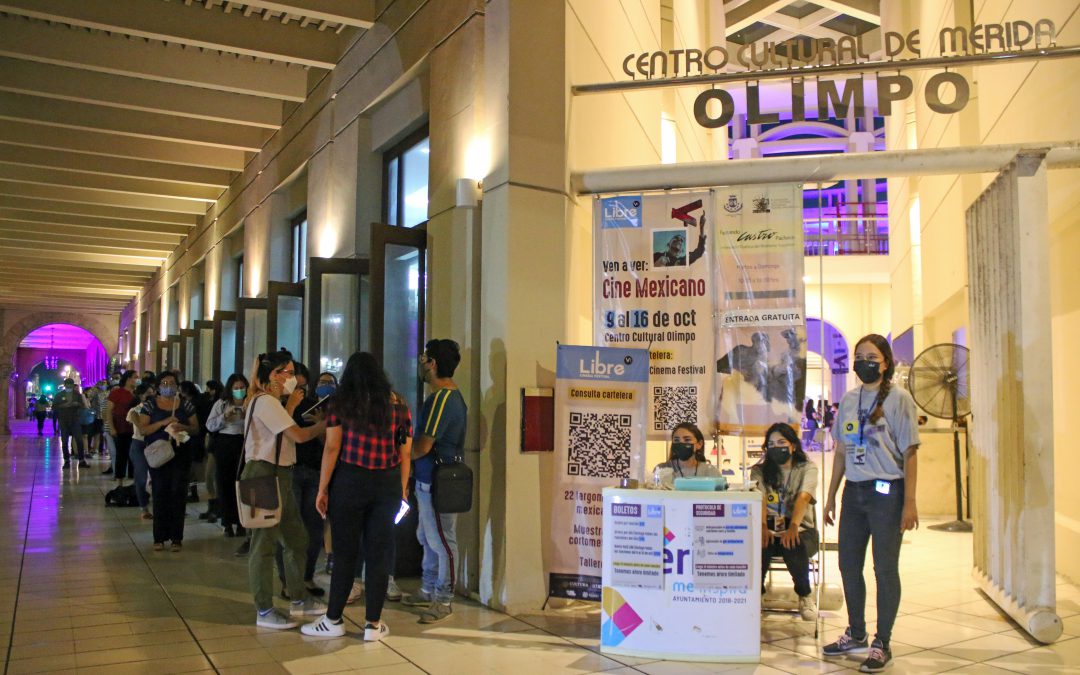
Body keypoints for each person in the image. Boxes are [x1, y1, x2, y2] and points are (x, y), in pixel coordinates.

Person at [822, 334, 920, 673]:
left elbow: (909, 452)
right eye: (858, 356)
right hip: (855, 492)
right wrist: (832, 494)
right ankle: (857, 632)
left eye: (871, 356)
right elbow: (840, 452)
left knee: (884, 568)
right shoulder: (848, 400)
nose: (864, 361)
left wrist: (910, 503)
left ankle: (883, 642)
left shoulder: (899, 399)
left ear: (886, 362)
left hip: (887, 493)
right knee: (848, 565)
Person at [301, 352, 409, 640]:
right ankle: (373, 624)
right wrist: (403, 489)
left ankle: (333, 619)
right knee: (378, 556)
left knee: (345, 553)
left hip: (350, 482)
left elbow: (332, 448)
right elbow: (405, 452)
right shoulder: (398, 405)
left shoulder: (342, 404)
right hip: (387, 486)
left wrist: (323, 488)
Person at [241, 351, 327, 630]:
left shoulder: (273, 403)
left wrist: (289, 405)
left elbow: (278, 432)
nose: (293, 379)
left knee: (296, 538)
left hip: (281, 474)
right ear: (274, 375)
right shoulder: (264, 401)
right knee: (263, 546)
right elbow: (299, 436)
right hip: (263, 474)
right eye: (288, 373)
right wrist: (328, 423)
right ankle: (264, 610)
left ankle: (298, 599)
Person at [402, 339, 467, 624]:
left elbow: (424, 445)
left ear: (434, 364)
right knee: (427, 537)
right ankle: (428, 587)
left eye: (424, 359)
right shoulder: (442, 397)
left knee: (442, 541)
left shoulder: (443, 399)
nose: (421, 364)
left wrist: (401, 455)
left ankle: (444, 598)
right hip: (428, 479)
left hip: (437, 481)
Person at [751, 422, 819, 621]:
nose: (776, 447)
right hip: (770, 529)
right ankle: (757, 595)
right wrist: (763, 526)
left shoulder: (807, 468)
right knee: (757, 545)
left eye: (781, 442)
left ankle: (805, 595)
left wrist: (793, 527)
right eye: (771, 444)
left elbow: (803, 498)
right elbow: (760, 498)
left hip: (802, 529)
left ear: (793, 445)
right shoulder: (759, 470)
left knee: (793, 543)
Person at [274, 362, 326, 600]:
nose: (296, 382)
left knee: (313, 528)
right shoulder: (274, 405)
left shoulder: (318, 405)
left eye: (298, 377)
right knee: (290, 530)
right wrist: (292, 406)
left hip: (314, 470)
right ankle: (288, 581)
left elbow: (326, 442)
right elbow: (293, 435)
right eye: (291, 376)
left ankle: (306, 577)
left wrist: (322, 423)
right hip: (289, 470)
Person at [138, 372, 200, 552]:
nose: (168, 386)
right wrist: (163, 422)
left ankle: (176, 537)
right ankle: (159, 536)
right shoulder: (150, 405)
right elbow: (143, 429)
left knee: (178, 494)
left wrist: (183, 427)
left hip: (180, 454)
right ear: (158, 386)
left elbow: (196, 428)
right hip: (159, 454)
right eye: (164, 383)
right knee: (159, 494)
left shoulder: (185, 404)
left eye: (172, 383)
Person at [207, 374, 248, 538]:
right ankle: (227, 522)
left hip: (244, 443)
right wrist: (224, 417)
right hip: (225, 443)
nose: (239, 391)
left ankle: (242, 522)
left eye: (242, 387)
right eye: (236, 388)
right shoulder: (222, 404)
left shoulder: (251, 402)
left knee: (242, 483)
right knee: (224, 483)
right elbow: (210, 425)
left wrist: (245, 416)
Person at [650, 422, 721, 490]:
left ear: (699, 444)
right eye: (676, 440)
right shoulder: (661, 469)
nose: (681, 443)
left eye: (687, 440)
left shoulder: (711, 472)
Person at [127, 383, 155, 519]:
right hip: (139, 444)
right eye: (147, 393)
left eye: (152, 393)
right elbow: (141, 428)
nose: (150, 396)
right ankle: (144, 507)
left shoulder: (157, 409)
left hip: (155, 445)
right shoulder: (135, 410)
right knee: (141, 477)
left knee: (158, 477)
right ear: (140, 395)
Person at [107, 371, 138, 484]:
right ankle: (120, 480)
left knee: (134, 455)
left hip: (136, 429)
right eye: (135, 377)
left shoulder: (137, 393)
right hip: (121, 428)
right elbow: (109, 411)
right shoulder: (117, 393)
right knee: (121, 453)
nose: (137, 380)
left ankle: (133, 480)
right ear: (128, 379)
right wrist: (111, 427)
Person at [53, 378, 89, 469]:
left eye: (71, 384)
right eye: (67, 384)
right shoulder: (59, 395)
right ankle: (66, 461)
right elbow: (54, 406)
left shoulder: (77, 395)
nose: (69, 386)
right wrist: (64, 405)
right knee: (64, 441)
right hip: (63, 420)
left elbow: (82, 405)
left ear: (73, 385)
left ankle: (81, 460)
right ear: (65, 385)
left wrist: (77, 404)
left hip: (75, 419)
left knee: (79, 440)